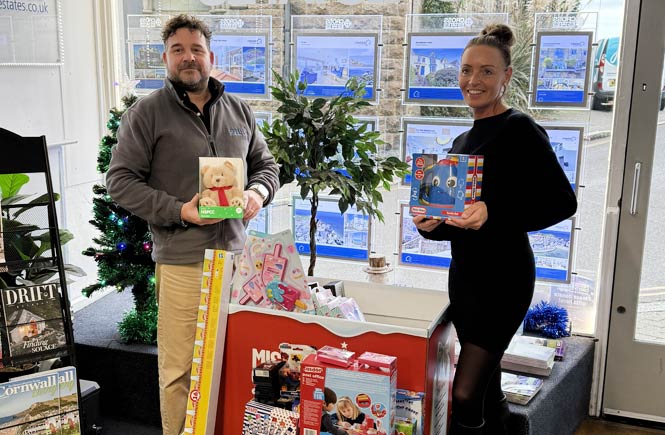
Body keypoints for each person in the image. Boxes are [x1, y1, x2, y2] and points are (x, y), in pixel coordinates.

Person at [106, 14, 279, 435]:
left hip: (238, 263)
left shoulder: (238, 109)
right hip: (184, 261)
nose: (188, 58)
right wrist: (179, 210)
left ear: (210, 56)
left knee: (238, 362)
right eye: (178, 50)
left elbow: (266, 166)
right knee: (180, 367)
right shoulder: (146, 114)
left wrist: (257, 193)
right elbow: (120, 182)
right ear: (165, 58)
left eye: (196, 50)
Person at [413, 24, 577, 435]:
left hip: (505, 279)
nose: (474, 81)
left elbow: (562, 201)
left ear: (506, 77)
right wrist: (428, 226)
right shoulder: (461, 141)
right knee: (484, 387)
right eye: (467, 70)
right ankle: (510, 426)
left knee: (465, 393)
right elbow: (454, 225)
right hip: (466, 278)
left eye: (486, 71)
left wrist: (493, 212)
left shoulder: (520, 129)